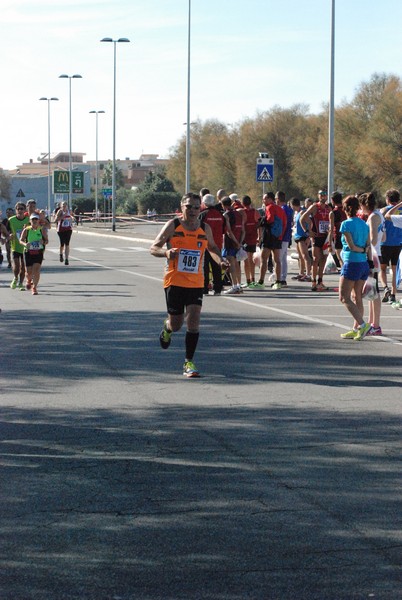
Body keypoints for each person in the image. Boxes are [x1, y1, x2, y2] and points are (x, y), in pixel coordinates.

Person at [150, 193, 227, 378]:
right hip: (174, 281)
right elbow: (153, 248)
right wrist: (167, 253)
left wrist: (220, 261)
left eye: (195, 207)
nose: (192, 211)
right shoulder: (173, 225)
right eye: (188, 207)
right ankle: (167, 328)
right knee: (176, 324)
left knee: (193, 320)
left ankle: (188, 362)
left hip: (196, 281)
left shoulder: (204, 227)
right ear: (181, 207)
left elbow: (213, 248)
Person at [338, 195, 373, 341]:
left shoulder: (345, 224)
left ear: (346, 209)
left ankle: (363, 325)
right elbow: (368, 245)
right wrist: (368, 260)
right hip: (363, 263)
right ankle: (357, 328)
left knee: (344, 297)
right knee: (356, 296)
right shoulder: (364, 224)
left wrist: (361, 251)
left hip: (352, 262)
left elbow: (352, 246)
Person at [359, 192, 385, 335]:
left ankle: (376, 324)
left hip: (373, 255)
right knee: (370, 290)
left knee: (373, 291)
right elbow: (384, 236)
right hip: (376, 253)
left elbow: (374, 239)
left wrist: (365, 246)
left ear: (364, 205)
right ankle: (371, 322)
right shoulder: (378, 215)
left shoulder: (373, 216)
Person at [253, 192, 286, 290]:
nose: (263, 200)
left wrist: (261, 221)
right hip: (278, 237)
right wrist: (280, 235)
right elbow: (284, 223)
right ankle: (278, 281)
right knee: (277, 260)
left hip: (269, 237)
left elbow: (270, 219)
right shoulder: (280, 209)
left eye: (265, 198)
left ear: (270, 199)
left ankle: (261, 282)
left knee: (264, 259)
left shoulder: (269, 207)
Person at [300, 189, 331, 291]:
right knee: (315, 259)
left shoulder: (328, 208)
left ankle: (320, 281)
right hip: (316, 237)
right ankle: (313, 282)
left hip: (325, 237)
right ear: (318, 196)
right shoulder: (314, 207)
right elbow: (302, 218)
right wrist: (308, 231)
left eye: (325, 195)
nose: (323, 196)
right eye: (321, 195)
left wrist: (331, 235)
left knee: (324, 259)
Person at [199, 194, 225, 295]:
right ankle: (217, 288)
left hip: (205, 244)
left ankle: (205, 288)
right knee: (217, 266)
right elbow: (224, 229)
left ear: (204, 203)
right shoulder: (220, 214)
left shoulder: (203, 214)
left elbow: (199, 229)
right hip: (217, 243)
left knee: (205, 267)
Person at [380, 189, 402, 304]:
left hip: (385, 243)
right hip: (398, 243)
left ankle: (385, 288)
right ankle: (393, 293)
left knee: (382, 269)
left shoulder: (384, 210)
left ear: (387, 199)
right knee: (394, 269)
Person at [19, 213, 48, 295]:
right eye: (33, 219)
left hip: (38, 252)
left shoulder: (41, 230)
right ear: (30, 221)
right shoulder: (26, 230)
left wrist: (44, 242)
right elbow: (20, 240)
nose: (34, 221)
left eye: (36, 219)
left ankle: (34, 287)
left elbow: (46, 240)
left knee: (36, 270)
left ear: (38, 221)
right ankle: (28, 280)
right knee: (29, 271)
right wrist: (25, 244)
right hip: (28, 252)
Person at [221, 196, 245, 294]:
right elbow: (243, 230)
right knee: (236, 263)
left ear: (223, 205)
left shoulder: (226, 215)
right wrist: (240, 243)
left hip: (230, 242)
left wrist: (236, 242)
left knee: (231, 264)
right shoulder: (239, 214)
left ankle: (235, 286)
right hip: (238, 241)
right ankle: (239, 285)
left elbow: (229, 231)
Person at [8, 202, 30, 290]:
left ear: (25, 210)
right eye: (18, 209)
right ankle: (15, 278)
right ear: (16, 210)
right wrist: (9, 235)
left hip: (25, 247)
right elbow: (7, 231)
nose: (20, 210)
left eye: (22, 209)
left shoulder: (28, 220)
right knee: (16, 266)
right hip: (15, 246)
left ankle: (21, 283)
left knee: (23, 266)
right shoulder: (11, 220)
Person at [241, 195, 261, 287]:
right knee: (251, 259)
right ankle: (252, 279)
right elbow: (260, 224)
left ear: (242, 203)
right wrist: (259, 237)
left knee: (246, 260)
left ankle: (248, 280)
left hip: (244, 238)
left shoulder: (242, 212)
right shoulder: (255, 212)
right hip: (253, 237)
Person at [291, 197, 312, 281]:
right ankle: (301, 273)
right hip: (297, 236)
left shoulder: (303, 212)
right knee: (300, 256)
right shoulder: (297, 213)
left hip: (303, 236)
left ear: (293, 205)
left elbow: (310, 223)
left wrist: (308, 236)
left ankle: (308, 274)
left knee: (305, 255)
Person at [276, 191, 293, 287]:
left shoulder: (282, 210)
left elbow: (282, 224)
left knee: (279, 258)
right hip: (287, 236)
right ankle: (283, 277)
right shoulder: (289, 209)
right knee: (283, 258)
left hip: (282, 236)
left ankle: (280, 278)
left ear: (278, 199)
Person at [329, 191, 346, 268]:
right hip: (348, 235)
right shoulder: (346, 209)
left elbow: (331, 229)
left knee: (340, 259)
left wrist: (329, 243)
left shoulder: (333, 212)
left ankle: (344, 275)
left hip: (338, 237)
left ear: (332, 200)